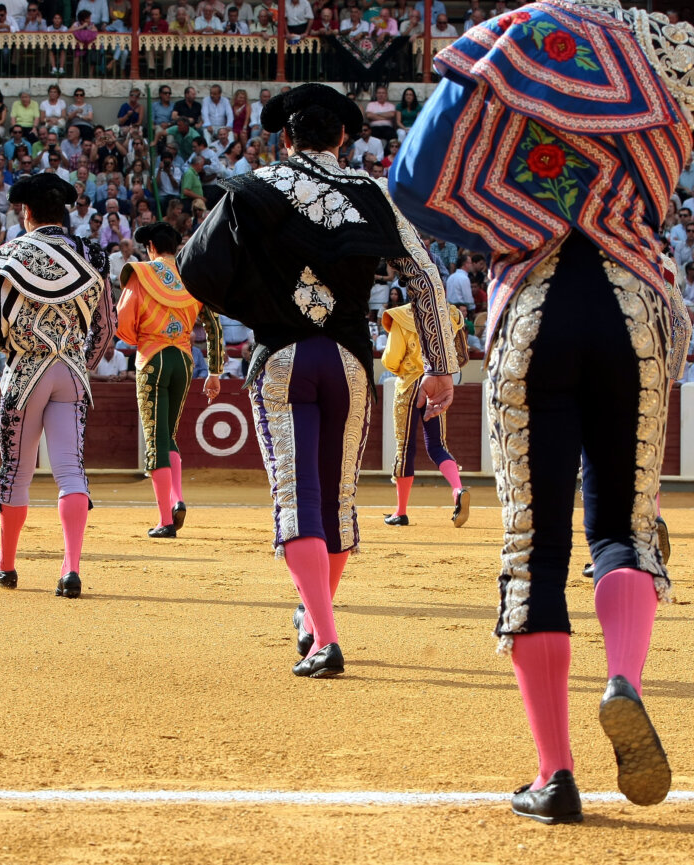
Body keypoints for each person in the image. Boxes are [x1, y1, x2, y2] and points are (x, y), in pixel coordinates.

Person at [391, 1, 694, 823]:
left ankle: (556, 775)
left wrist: (514, 213)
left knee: (533, 550)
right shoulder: (679, 51)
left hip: (533, 307)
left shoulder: (513, 36)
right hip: (637, 309)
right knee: (623, 527)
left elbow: (411, 179)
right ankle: (624, 680)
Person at [177, 84, 459, 679]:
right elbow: (426, 279)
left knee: (297, 498)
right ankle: (312, 616)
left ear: (285, 138)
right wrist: (440, 366)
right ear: (343, 138)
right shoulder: (374, 194)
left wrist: (256, 300)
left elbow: (195, 267)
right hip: (349, 362)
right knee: (337, 501)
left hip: (282, 356)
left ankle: (324, 637)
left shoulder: (252, 188)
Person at [0, 173, 114, 599]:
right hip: (70, 372)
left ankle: (7, 564)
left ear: (26, 212)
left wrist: (15, 344)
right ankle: (70, 570)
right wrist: (80, 364)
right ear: (63, 213)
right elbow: (107, 327)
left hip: (25, 373)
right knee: (71, 471)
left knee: (17, 471)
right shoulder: (92, 255)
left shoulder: (8, 257)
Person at [116, 223, 224, 538]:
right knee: (169, 434)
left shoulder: (141, 274)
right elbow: (214, 326)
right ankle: (177, 499)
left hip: (153, 358)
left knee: (155, 440)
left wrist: (140, 336)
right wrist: (214, 372)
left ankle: (165, 520)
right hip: (184, 361)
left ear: (150, 246)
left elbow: (123, 321)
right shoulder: (192, 275)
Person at [380, 301, 470, 527]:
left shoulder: (402, 315)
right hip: (438, 384)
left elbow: (391, 359)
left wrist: (406, 369)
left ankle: (401, 512)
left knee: (405, 448)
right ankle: (457, 490)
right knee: (437, 445)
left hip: (409, 385)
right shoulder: (450, 313)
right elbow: (461, 355)